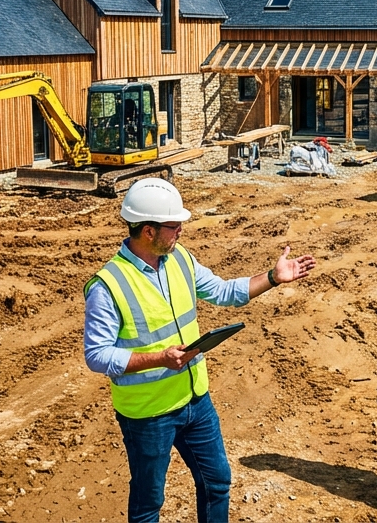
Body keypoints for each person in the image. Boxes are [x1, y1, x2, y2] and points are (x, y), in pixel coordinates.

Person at [82, 177, 316, 523]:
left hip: (195, 402)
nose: (181, 232)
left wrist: (272, 276)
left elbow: (223, 291)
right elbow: (97, 355)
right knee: (148, 505)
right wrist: (160, 359)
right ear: (148, 231)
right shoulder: (108, 285)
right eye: (175, 226)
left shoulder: (180, 261)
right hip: (149, 415)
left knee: (217, 482)